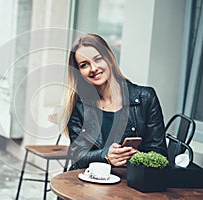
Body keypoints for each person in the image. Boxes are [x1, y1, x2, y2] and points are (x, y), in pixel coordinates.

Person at [61, 34, 168, 170]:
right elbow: (78, 156)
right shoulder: (78, 105)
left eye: (98, 59)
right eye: (84, 65)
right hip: (90, 183)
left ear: (110, 59)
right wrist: (105, 155)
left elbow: (159, 154)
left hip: (131, 184)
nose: (93, 68)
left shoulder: (145, 98)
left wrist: (136, 158)